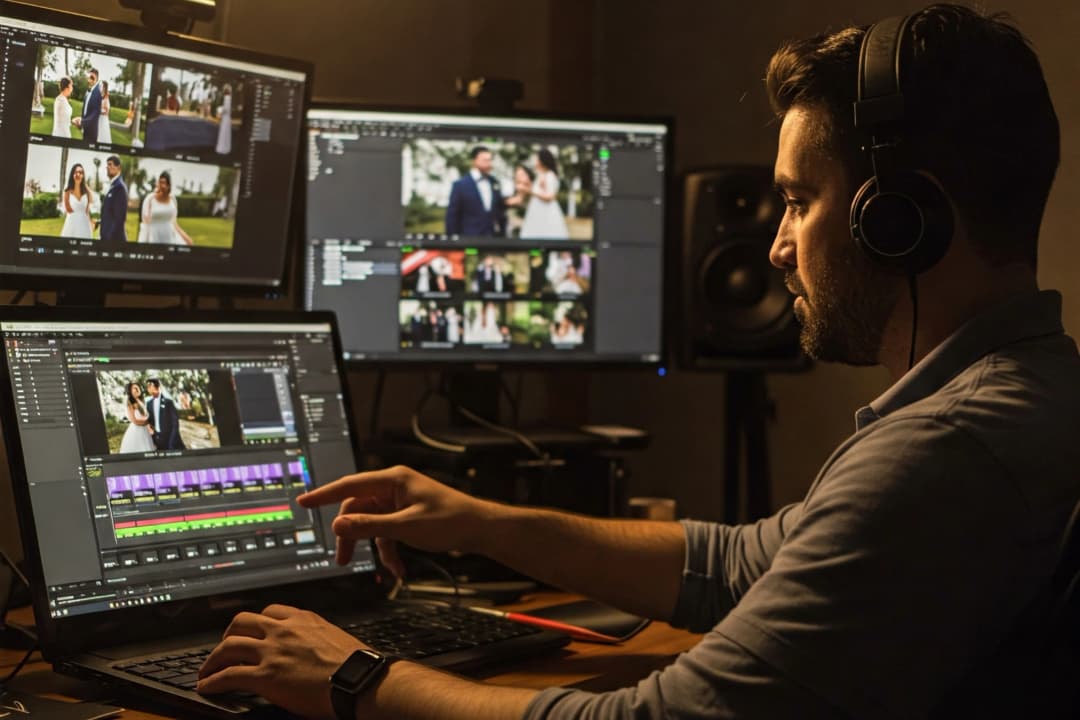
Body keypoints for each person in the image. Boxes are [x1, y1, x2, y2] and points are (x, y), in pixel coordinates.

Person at [196, 5, 1080, 719]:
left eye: (800, 201)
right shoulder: (1024, 395)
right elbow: (736, 565)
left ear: (896, 219)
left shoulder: (951, 449)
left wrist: (355, 677)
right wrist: (479, 521)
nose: (776, 248)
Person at [444, 145, 508, 237]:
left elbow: (499, 211)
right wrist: (452, 241)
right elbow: (452, 216)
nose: (489, 163)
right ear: (474, 161)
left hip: (492, 239)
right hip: (468, 239)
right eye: (485, 160)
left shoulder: (494, 182)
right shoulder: (460, 185)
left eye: (490, 160)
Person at [520, 148, 569, 240]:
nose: (535, 162)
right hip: (538, 210)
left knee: (547, 235)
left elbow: (549, 196)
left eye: (537, 159)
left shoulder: (550, 176)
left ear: (542, 161)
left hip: (546, 212)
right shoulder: (541, 174)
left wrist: (530, 191)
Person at [139, 171, 194, 246]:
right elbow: (146, 223)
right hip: (154, 237)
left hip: (169, 236)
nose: (162, 185)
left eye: (165, 183)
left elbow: (174, 222)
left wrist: (186, 238)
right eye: (160, 182)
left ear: (169, 185)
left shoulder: (173, 199)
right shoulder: (150, 199)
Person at [145, 378, 185, 451]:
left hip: (171, 440)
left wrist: (171, 443)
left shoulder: (168, 402)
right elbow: (149, 421)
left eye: (150, 385)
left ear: (157, 386)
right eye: (147, 386)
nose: (148, 388)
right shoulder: (148, 404)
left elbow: (175, 424)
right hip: (158, 441)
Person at [118, 382, 156, 454]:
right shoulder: (129, 403)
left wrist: (149, 425)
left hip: (145, 431)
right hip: (136, 432)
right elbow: (134, 420)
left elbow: (145, 415)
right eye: (135, 388)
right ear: (130, 391)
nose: (137, 389)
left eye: (138, 387)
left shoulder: (141, 400)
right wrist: (147, 422)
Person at [59, 163, 93, 239]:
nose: (78, 174)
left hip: (85, 225)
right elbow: (68, 209)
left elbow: (88, 207)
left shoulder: (86, 192)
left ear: (83, 175)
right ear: (72, 174)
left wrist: (84, 184)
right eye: (75, 172)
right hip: (71, 225)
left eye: (81, 172)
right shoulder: (67, 191)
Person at [98, 155, 128, 243]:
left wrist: (108, 238)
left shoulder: (120, 187)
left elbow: (119, 218)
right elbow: (110, 212)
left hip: (114, 241)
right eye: (107, 165)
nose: (107, 167)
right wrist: (101, 221)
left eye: (110, 164)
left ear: (118, 167)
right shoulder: (113, 185)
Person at [73, 68, 101, 143]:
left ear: (97, 78)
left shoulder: (98, 93)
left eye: (92, 77)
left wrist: (82, 122)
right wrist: (81, 123)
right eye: (89, 77)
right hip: (85, 128)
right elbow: (86, 109)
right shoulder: (88, 91)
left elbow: (95, 113)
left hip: (92, 129)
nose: (90, 79)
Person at [215, 84, 232, 155]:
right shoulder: (228, 98)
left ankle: (222, 148)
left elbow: (226, 109)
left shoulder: (227, 98)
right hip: (226, 117)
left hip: (226, 117)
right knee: (225, 132)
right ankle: (225, 148)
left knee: (224, 132)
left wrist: (219, 110)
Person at [97, 80, 112, 144]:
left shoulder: (106, 96)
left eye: (102, 86)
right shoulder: (100, 95)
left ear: (105, 87)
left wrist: (99, 112)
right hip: (99, 118)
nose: (101, 87)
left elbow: (106, 112)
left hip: (103, 119)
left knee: (102, 134)